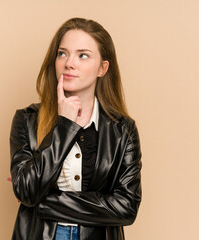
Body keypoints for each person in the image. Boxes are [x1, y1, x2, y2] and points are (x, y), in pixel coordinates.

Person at [9, 17, 142, 240]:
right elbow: (26, 191)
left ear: (102, 68)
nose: (69, 63)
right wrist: (65, 126)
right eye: (62, 53)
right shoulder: (27, 120)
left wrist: (47, 202)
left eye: (83, 55)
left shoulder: (123, 131)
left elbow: (126, 207)